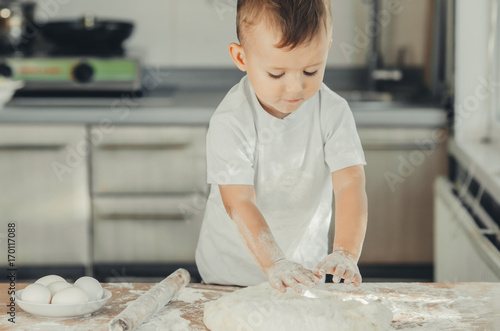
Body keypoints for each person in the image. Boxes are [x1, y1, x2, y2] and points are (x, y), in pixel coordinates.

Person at [195, 0, 367, 293]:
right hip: (228, 276)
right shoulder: (231, 120)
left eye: (311, 71)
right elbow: (239, 201)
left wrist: (346, 253)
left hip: (304, 273)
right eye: (277, 74)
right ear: (241, 57)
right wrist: (274, 263)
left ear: (326, 49)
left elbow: (350, 184)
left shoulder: (333, 112)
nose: (295, 87)